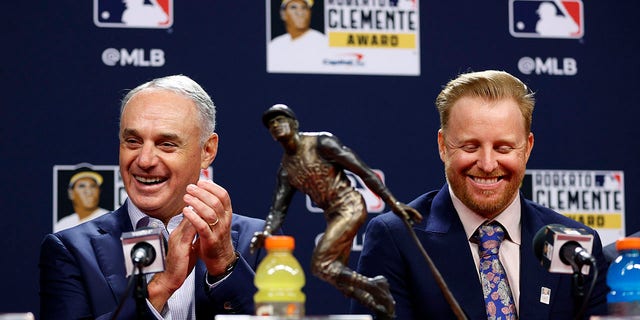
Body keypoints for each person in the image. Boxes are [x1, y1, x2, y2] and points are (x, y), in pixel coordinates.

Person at [350, 70, 609, 319]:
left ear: (527, 148)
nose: (487, 164)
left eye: (503, 148)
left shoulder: (575, 246)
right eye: (470, 146)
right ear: (443, 146)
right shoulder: (397, 239)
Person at [39, 75, 267, 319]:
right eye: (133, 141)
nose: (144, 160)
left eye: (166, 144)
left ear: (207, 150)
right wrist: (162, 286)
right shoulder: (72, 251)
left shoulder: (258, 241)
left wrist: (224, 264)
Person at [250, 104, 423, 319]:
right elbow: (278, 210)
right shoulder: (286, 169)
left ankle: (375, 285)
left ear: (294, 123)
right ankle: (379, 307)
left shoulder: (321, 142)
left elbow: (363, 171)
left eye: (280, 119)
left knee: (320, 264)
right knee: (334, 274)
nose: (276, 125)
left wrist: (394, 203)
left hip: (349, 205)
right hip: (332, 214)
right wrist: (266, 232)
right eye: (271, 123)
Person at [268, 0, 327, 72]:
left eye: (304, 8)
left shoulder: (322, 42)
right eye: (293, 7)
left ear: (310, 13)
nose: (300, 12)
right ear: (283, 14)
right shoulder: (275, 44)